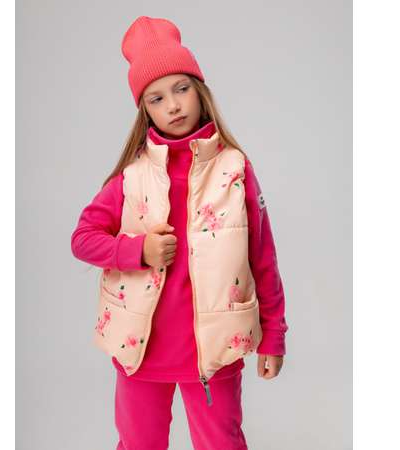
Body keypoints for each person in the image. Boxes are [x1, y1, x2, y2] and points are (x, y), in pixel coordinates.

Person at [71, 15, 289, 450]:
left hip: (214, 350)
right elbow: (83, 239)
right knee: (139, 444)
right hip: (141, 350)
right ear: (145, 110)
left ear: (200, 90)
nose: (173, 105)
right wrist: (139, 250)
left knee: (221, 443)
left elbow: (263, 256)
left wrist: (274, 335)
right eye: (157, 98)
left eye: (181, 89)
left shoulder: (235, 170)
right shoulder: (131, 177)